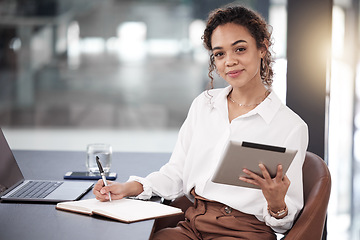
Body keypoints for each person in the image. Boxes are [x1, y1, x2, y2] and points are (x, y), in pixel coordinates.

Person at [93, 5, 308, 240]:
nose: (230, 61)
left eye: (240, 49)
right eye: (219, 54)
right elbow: (177, 173)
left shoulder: (290, 126)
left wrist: (277, 203)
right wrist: (128, 188)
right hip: (194, 224)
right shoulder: (204, 105)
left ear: (262, 48)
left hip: (246, 232)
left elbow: (286, 224)